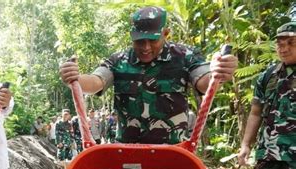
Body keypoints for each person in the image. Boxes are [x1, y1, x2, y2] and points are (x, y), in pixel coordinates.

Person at [59, 6, 237, 145]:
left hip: (173, 152)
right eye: (139, 41)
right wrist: (75, 79)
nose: (145, 47)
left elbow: (204, 82)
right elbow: (96, 81)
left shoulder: (185, 56)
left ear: (165, 33)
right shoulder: (118, 60)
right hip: (127, 152)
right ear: (131, 36)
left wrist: (219, 71)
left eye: (152, 40)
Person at [237, 18, 296, 169]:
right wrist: (246, 144)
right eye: (280, 44)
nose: (283, 48)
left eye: (290, 43)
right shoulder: (268, 76)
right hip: (269, 148)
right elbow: (255, 113)